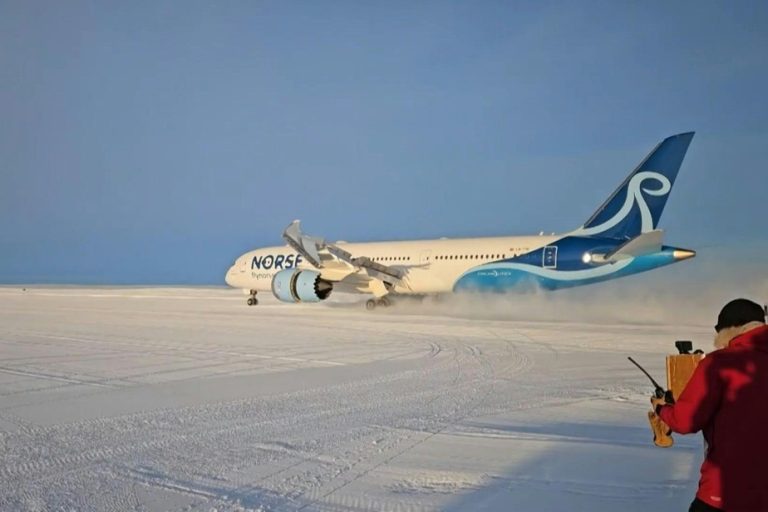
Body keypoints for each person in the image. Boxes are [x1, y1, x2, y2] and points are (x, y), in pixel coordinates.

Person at [652, 298, 768, 512]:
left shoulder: (719, 363)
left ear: (731, 329)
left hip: (725, 493)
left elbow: (686, 421)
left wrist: (662, 409)